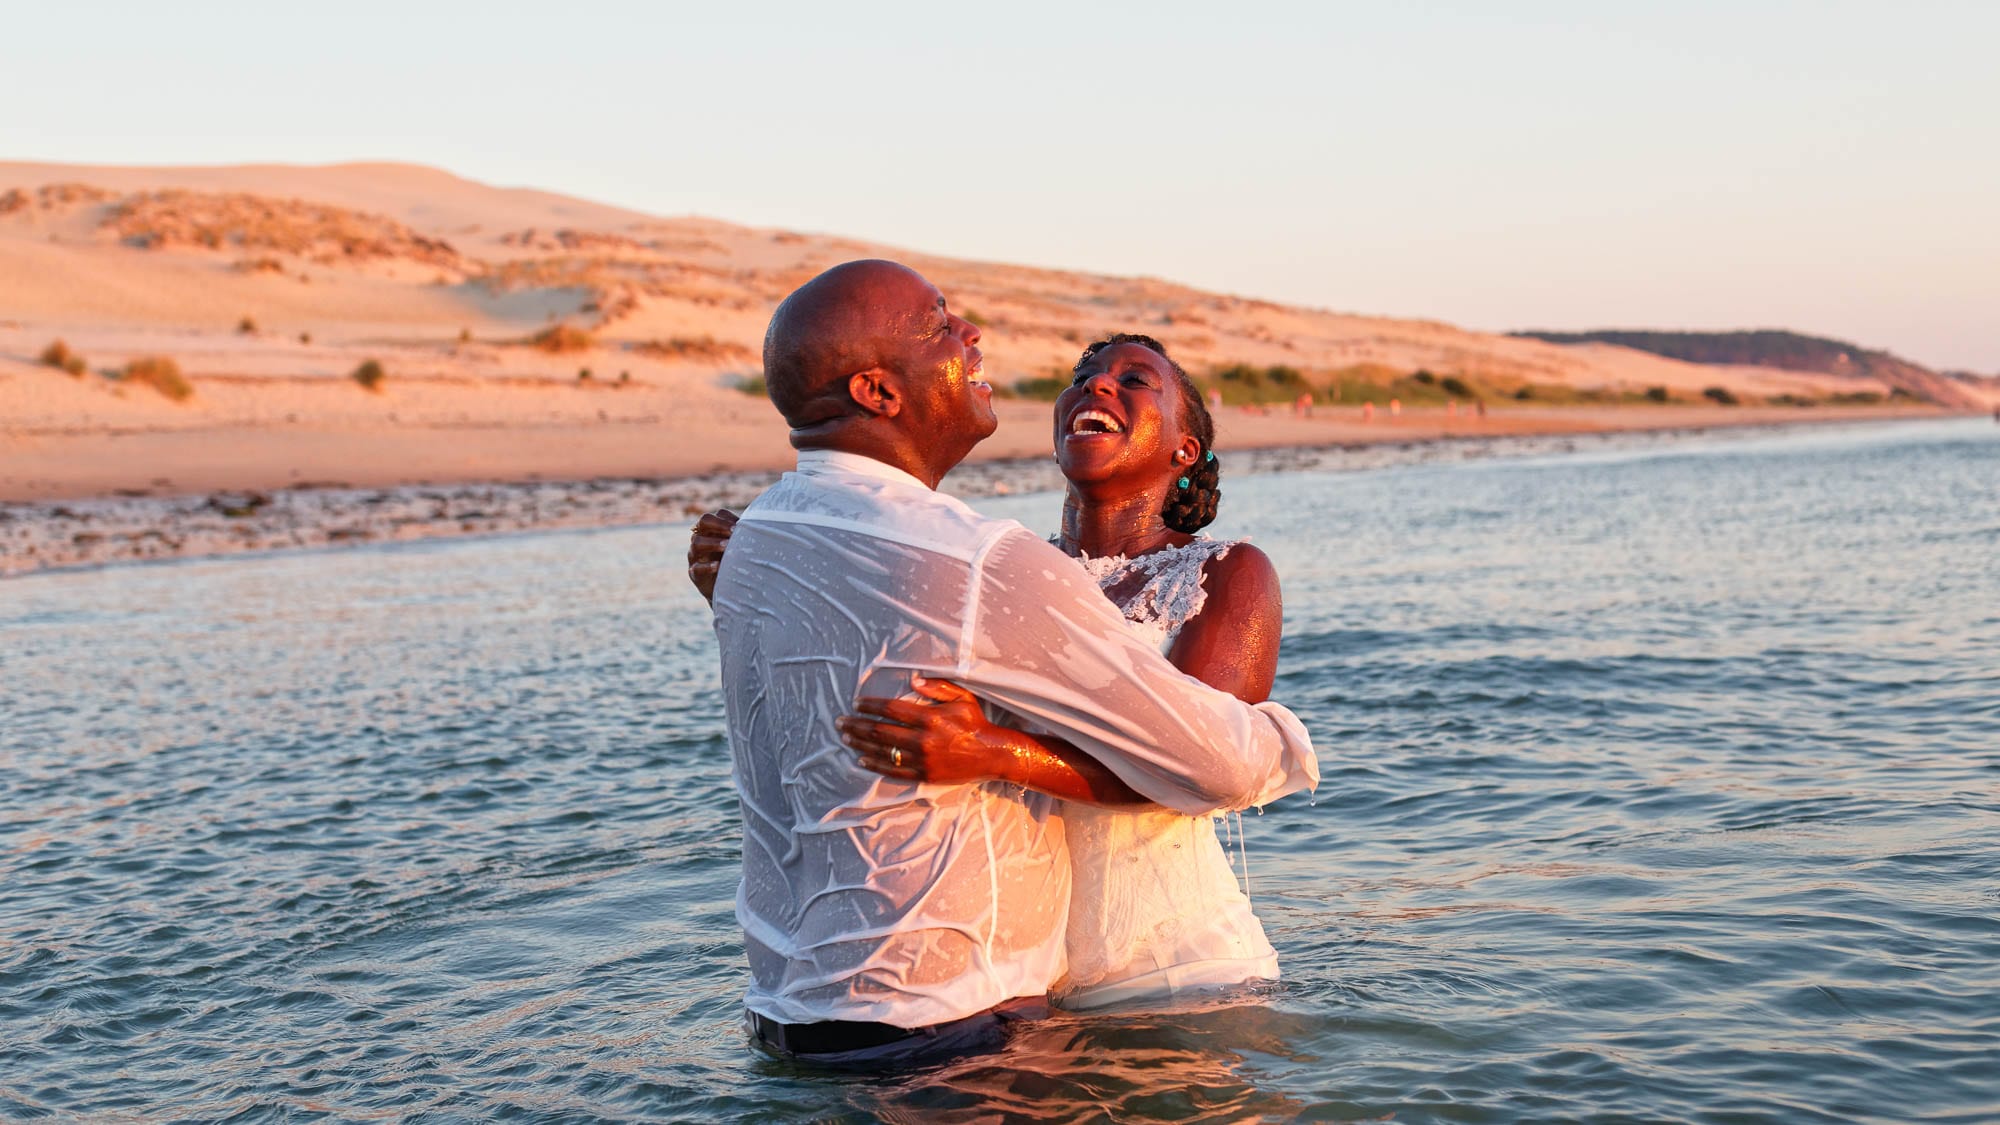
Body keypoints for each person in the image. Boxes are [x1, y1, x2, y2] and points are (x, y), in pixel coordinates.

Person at [695, 260, 1317, 1067]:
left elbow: (1192, 771)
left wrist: (997, 753)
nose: (1099, 387)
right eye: (1086, 374)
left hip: (1166, 959)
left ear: (1184, 449)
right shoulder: (992, 567)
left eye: (1136, 380)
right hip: (1036, 986)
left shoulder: (1221, 571)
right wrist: (756, 579)